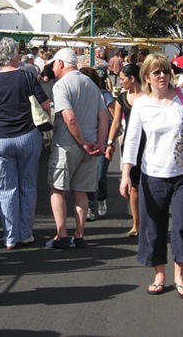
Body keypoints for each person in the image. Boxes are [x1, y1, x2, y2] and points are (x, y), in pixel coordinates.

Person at [120, 54, 183, 299]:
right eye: (156, 72)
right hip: (152, 175)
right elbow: (132, 141)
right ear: (146, 77)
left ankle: (180, 274)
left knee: (181, 226)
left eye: (165, 71)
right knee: (153, 228)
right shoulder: (142, 104)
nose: (162, 76)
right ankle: (159, 274)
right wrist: (126, 174)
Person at [0, 38, 50, 249]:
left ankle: (11, 235)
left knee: (5, 188)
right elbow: (45, 104)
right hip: (27, 134)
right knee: (27, 185)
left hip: (0, 137)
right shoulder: (26, 76)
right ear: (14, 55)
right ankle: (25, 233)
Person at [45, 48, 110, 249]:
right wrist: (99, 142)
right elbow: (104, 116)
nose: (53, 67)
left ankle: (62, 234)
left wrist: (81, 141)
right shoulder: (91, 84)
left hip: (67, 144)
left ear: (62, 64)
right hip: (90, 145)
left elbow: (69, 117)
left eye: (55, 63)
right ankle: (79, 234)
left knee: (58, 188)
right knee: (81, 190)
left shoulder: (61, 85)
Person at [106, 62, 145, 237]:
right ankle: (136, 224)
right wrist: (110, 142)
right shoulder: (122, 97)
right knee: (134, 186)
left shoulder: (148, 96)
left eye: (122, 79)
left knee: (151, 185)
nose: (120, 82)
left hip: (150, 143)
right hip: (130, 144)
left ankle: (149, 221)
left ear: (132, 79)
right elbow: (116, 122)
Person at [80, 66, 116, 220]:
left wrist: (110, 141)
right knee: (87, 174)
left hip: (103, 139)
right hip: (87, 138)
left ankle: (101, 198)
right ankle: (91, 206)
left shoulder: (104, 95)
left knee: (100, 174)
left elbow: (115, 119)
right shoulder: (80, 96)